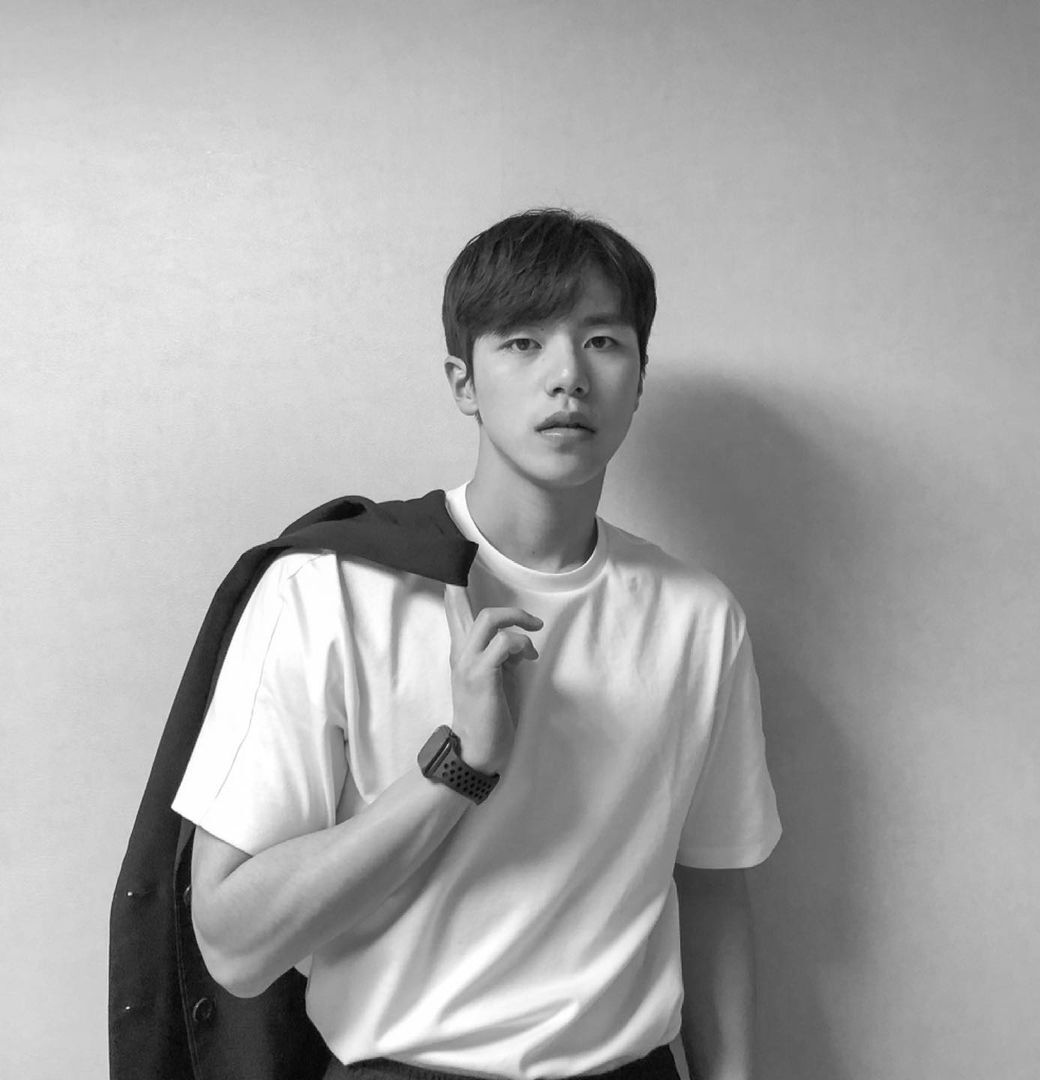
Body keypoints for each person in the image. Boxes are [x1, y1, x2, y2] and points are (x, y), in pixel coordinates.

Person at [172, 208, 782, 1080]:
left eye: (603, 342)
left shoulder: (698, 618)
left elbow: (714, 892)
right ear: (464, 381)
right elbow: (232, 943)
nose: (568, 377)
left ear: (639, 379)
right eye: (523, 343)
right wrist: (456, 768)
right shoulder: (331, 590)